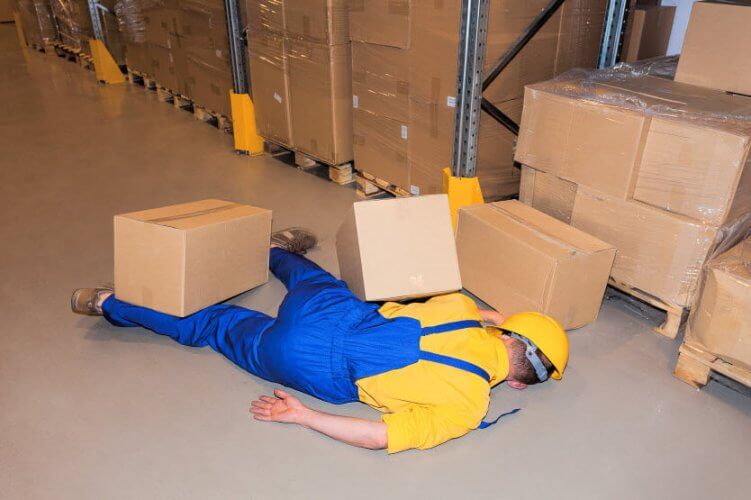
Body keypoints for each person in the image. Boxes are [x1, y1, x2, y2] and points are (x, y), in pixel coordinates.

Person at [71, 228, 569, 454]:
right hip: (309, 368)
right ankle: (109, 302)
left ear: (505, 329)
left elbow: (393, 309)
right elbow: (379, 436)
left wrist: (488, 315)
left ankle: (271, 248)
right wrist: (303, 415)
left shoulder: (461, 310)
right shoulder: (467, 410)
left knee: (318, 282)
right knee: (215, 325)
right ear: (520, 386)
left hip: (332, 318)